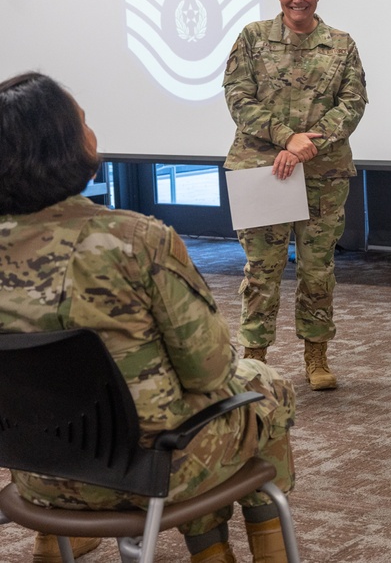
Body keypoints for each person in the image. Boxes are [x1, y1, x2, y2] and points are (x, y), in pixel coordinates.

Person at [0, 72, 295, 563]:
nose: (92, 132)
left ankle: (54, 543)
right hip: (146, 472)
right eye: (83, 123)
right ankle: (228, 552)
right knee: (261, 387)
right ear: (62, 148)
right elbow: (210, 367)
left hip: (36, 476)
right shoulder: (135, 240)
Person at [224, 0, 368, 391]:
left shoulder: (341, 45)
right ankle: (253, 361)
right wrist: (287, 138)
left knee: (317, 270)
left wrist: (310, 145)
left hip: (322, 174)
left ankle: (317, 356)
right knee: (261, 272)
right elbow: (237, 96)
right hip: (261, 171)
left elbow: (354, 102)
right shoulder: (252, 38)